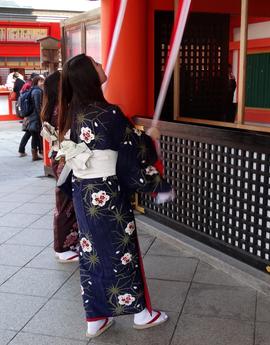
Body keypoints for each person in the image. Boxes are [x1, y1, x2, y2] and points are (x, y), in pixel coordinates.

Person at [57, 54, 174, 338]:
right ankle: (142, 313)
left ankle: (95, 318)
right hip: (107, 194)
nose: (101, 65)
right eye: (96, 63)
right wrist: (151, 137)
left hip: (84, 192)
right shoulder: (107, 113)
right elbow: (133, 150)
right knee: (123, 252)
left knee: (93, 253)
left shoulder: (74, 112)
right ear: (89, 76)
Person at [40, 71, 79, 262]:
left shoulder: (51, 107)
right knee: (66, 204)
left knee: (64, 202)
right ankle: (64, 248)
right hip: (66, 158)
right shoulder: (62, 110)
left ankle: (67, 245)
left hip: (59, 156)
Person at [18, 75, 44, 160]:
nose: (42, 83)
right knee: (35, 135)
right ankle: (36, 154)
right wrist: (41, 116)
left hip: (31, 116)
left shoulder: (33, 90)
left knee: (32, 135)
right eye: (41, 81)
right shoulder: (37, 91)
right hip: (35, 117)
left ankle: (32, 153)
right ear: (37, 82)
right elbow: (37, 105)